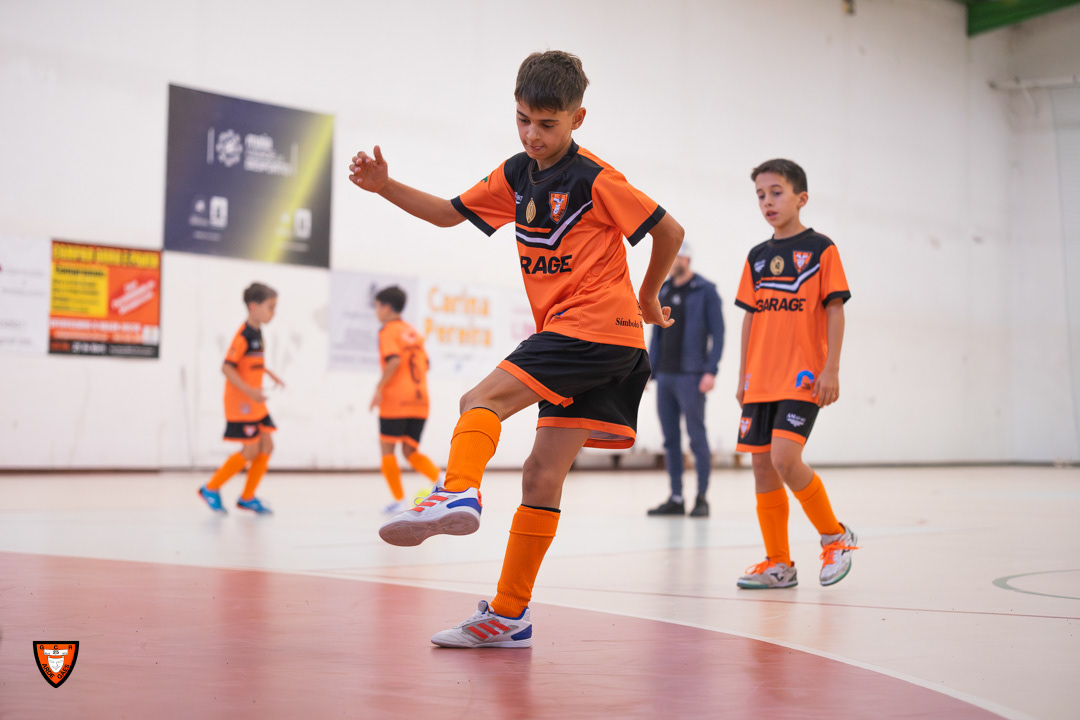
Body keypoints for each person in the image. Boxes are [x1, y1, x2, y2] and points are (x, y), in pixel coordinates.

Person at [348, 50, 683, 647]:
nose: (532, 135)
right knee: (540, 477)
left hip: (593, 329)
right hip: (602, 342)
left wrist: (650, 296)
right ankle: (508, 614)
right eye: (523, 119)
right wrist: (384, 187)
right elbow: (449, 215)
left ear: (577, 119)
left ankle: (457, 488)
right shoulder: (515, 177)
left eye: (547, 124)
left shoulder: (596, 179)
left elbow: (669, 230)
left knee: (479, 399)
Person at [733, 158, 857, 589]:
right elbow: (750, 317)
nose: (767, 202)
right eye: (760, 195)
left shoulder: (821, 249)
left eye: (776, 192)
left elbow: (835, 309)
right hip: (760, 380)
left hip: (803, 376)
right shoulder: (757, 256)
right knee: (762, 468)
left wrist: (831, 369)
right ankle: (779, 564)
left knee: (785, 459)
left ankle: (835, 536)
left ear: (801, 198)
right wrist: (742, 376)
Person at [646, 241, 725, 518]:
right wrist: (648, 369)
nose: (668, 263)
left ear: (686, 259)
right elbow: (656, 334)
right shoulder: (664, 290)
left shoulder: (706, 291)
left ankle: (701, 497)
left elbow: (718, 334)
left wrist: (711, 370)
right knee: (670, 439)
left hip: (692, 377)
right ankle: (676, 497)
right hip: (665, 376)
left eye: (674, 258)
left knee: (696, 437)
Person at [198, 283, 284, 515]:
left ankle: (247, 497)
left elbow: (251, 364)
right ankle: (210, 488)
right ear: (253, 307)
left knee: (267, 445)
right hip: (243, 402)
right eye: (270, 307)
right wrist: (249, 391)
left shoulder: (258, 332)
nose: (273, 313)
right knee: (250, 451)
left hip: (255, 402)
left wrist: (269, 373)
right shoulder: (244, 335)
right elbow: (227, 367)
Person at [371, 285, 442, 513]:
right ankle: (441, 481)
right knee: (410, 452)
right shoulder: (413, 332)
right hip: (421, 400)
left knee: (388, 450)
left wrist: (379, 389)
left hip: (396, 400)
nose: (376, 311)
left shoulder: (387, 331)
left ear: (386, 307)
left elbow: (394, 360)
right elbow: (426, 364)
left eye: (377, 306)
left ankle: (399, 500)